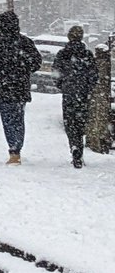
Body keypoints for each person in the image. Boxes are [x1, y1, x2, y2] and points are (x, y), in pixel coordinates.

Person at [0, 10, 43, 164]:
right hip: (20, 88)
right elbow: (36, 62)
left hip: (3, 88)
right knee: (18, 118)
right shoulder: (24, 43)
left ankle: (13, 149)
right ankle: (16, 149)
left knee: (8, 119)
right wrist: (23, 68)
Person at [53, 26, 97, 168]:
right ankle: (79, 147)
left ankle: (74, 146)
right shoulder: (87, 54)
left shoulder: (63, 53)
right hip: (83, 93)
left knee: (70, 122)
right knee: (80, 121)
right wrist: (88, 87)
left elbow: (56, 73)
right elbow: (94, 74)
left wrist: (62, 85)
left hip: (69, 93)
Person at [85, 45, 111, 154]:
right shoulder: (106, 64)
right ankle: (99, 142)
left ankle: (94, 141)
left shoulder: (93, 63)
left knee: (94, 119)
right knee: (100, 119)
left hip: (96, 95)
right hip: (101, 95)